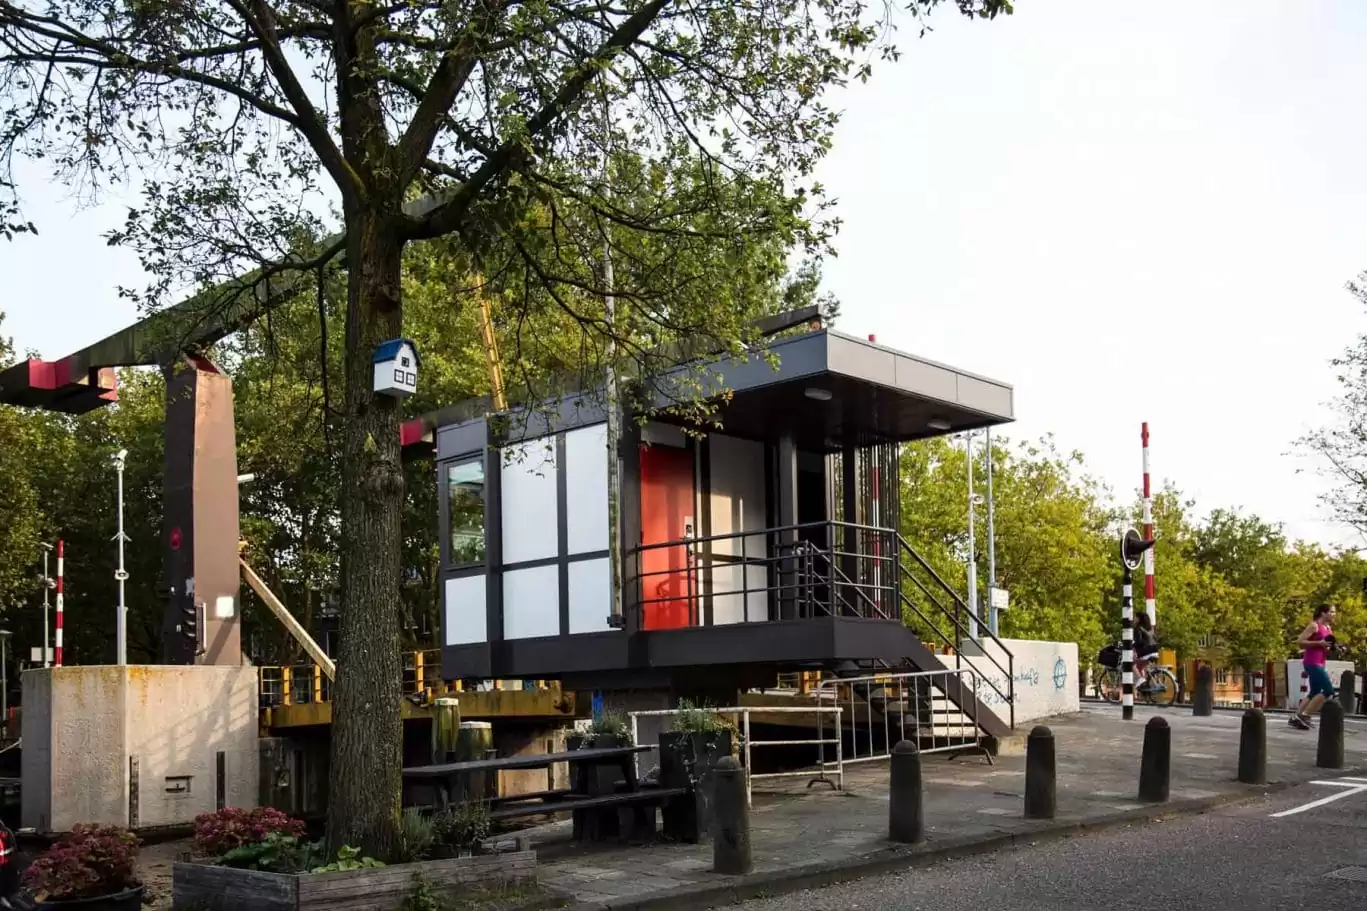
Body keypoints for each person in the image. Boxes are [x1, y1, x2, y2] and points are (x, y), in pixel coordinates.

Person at [1289, 603, 1337, 731]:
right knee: (1328, 690)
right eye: (1331, 612)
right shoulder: (1314, 626)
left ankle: (1296, 716)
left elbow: (1327, 646)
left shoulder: (1328, 628)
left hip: (1321, 662)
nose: (1334, 614)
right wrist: (1318, 643)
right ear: (1323, 613)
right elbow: (1300, 642)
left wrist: (1334, 648)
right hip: (1312, 662)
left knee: (1314, 692)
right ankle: (1305, 715)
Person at [1133, 612, 1160, 692]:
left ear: (1139, 619)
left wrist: (1131, 645)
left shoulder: (1138, 628)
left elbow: (1139, 642)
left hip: (1146, 651)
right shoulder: (1151, 627)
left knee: (1131, 664)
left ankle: (1140, 679)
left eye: (1135, 617)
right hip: (1155, 650)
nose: (1134, 619)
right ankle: (1144, 684)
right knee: (1140, 667)